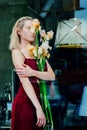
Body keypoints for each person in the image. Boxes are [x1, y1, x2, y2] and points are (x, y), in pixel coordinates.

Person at [9, 16, 55, 130]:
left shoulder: (38, 52)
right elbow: (26, 83)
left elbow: (52, 76)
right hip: (26, 103)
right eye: (29, 28)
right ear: (19, 31)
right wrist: (38, 108)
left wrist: (32, 72)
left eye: (34, 29)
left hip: (39, 100)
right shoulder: (17, 52)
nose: (33, 32)